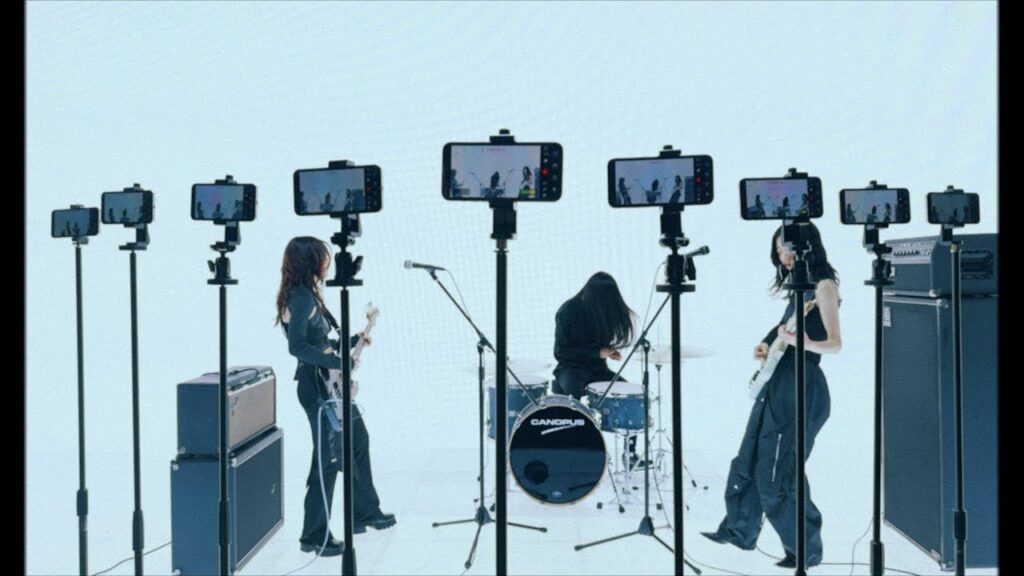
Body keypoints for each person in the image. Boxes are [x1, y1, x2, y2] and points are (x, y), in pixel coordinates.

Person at [702, 222, 841, 569]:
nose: (783, 257)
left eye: (787, 249)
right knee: (750, 456)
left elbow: (834, 344)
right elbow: (784, 328)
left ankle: (805, 550)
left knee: (779, 470)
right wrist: (766, 343)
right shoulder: (799, 286)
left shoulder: (824, 287)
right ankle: (739, 530)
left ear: (806, 246)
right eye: (778, 251)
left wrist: (797, 342)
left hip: (802, 386)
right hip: (779, 382)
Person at [275, 236, 395, 557]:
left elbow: (319, 342)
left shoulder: (307, 294)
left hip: (328, 383)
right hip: (317, 388)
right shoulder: (301, 298)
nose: (327, 264)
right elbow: (298, 347)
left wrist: (352, 341)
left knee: (357, 440)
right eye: (322, 258)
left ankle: (364, 512)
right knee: (327, 459)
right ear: (311, 262)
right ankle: (313, 535)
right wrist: (337, 362)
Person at [552, 272, 644, 464]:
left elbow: (597, 343)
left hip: (597, 370)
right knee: (573, 400)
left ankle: (630, 454)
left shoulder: (602, 309)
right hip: (571, 368)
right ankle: (572, 449)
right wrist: (596, 352)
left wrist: (609, 351)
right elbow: (561, 352)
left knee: (630, 397)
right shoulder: (568, 311)